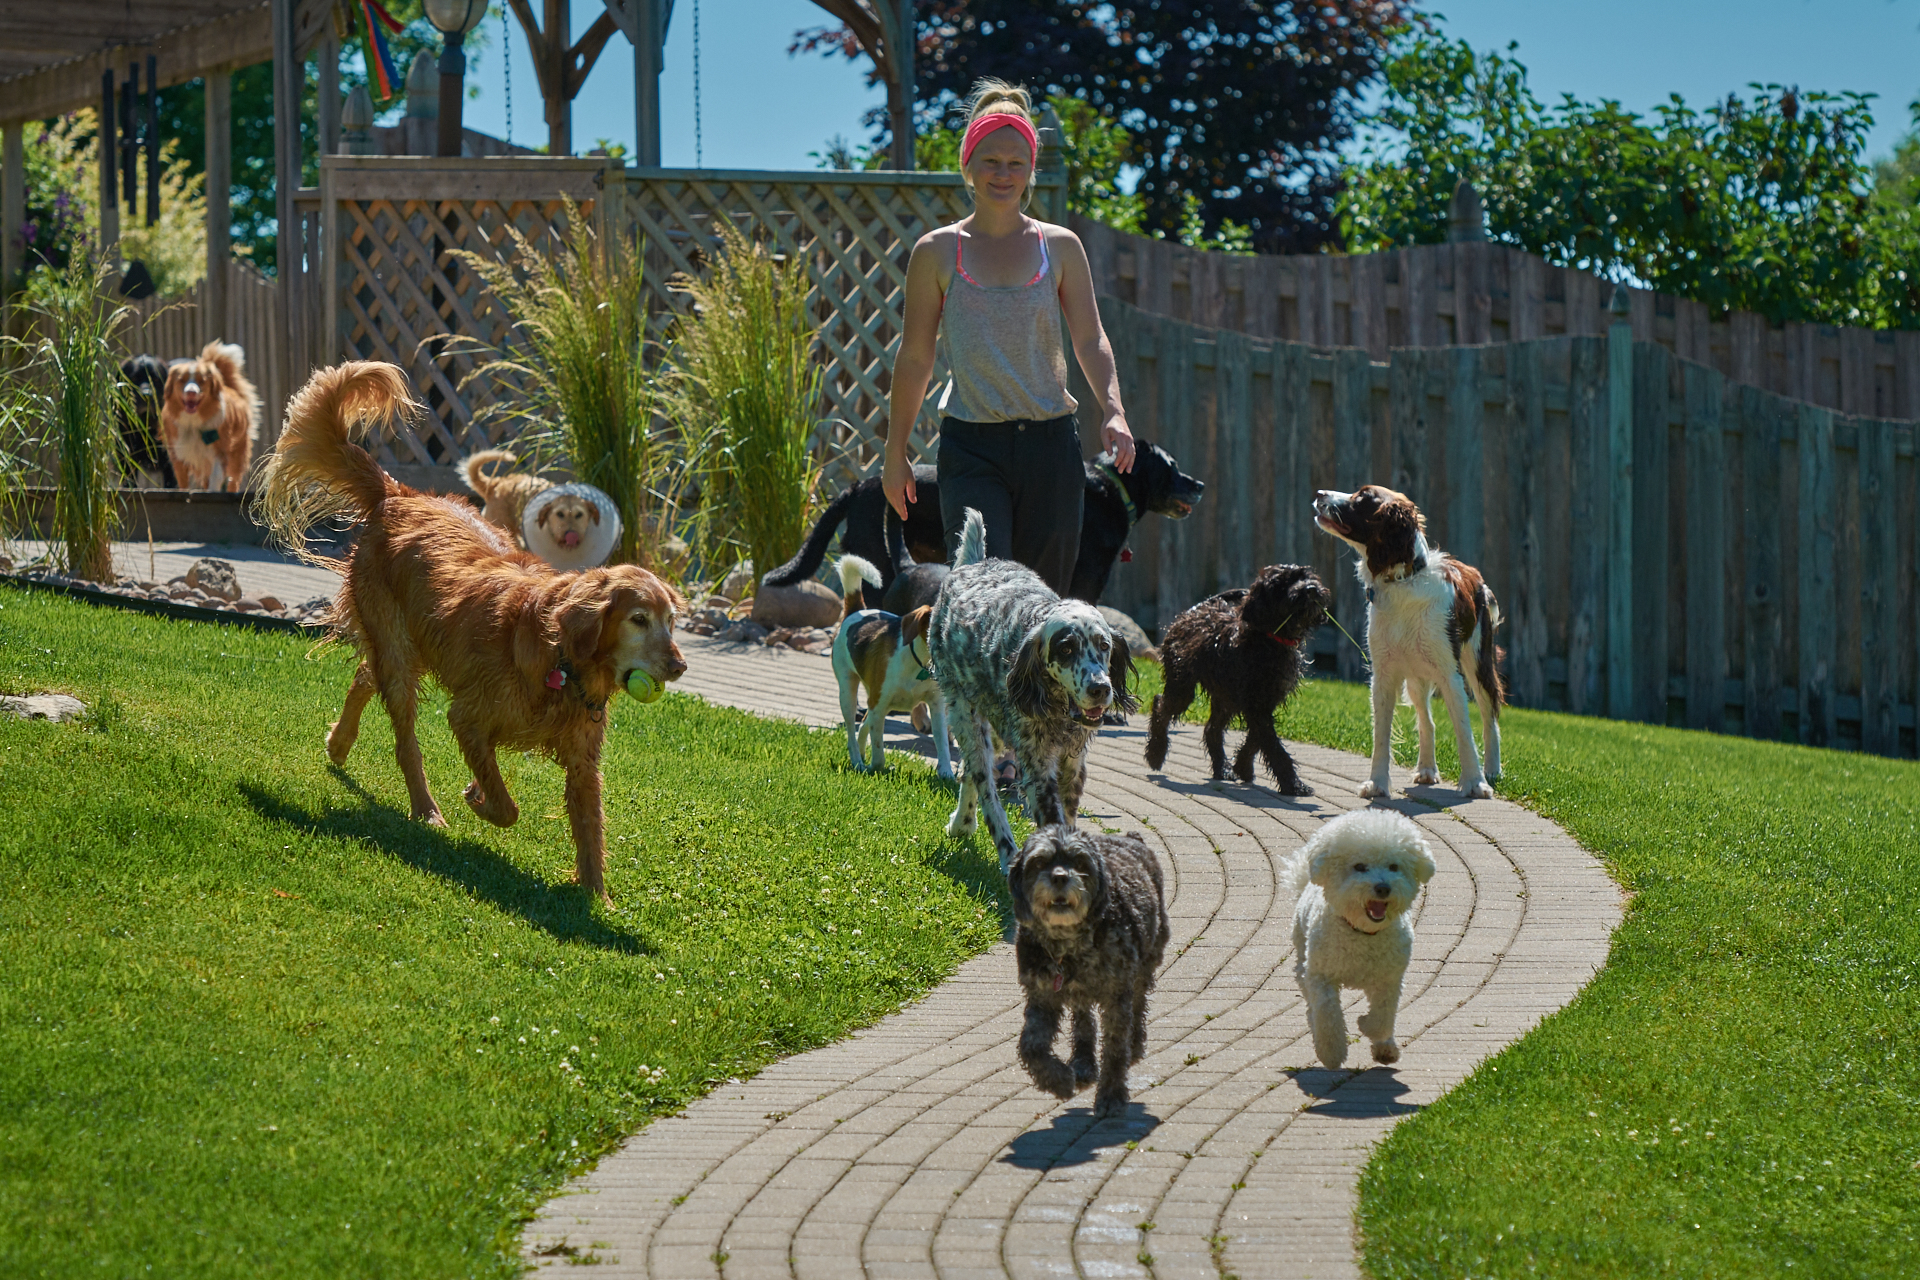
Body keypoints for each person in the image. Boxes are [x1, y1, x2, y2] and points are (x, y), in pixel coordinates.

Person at [882, 78, 1135, 598]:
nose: (1003, 173)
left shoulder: (1060, 247)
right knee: (985, 596)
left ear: (1031, 171)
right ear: (968, 166)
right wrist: (895, 450)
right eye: (990, 160)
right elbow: (914, 358)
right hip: (972, 447)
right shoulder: (936, 251)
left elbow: (1091, 340)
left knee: (1041, 608)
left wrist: (1113, 410)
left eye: (1015, 163)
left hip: (1051, 450)